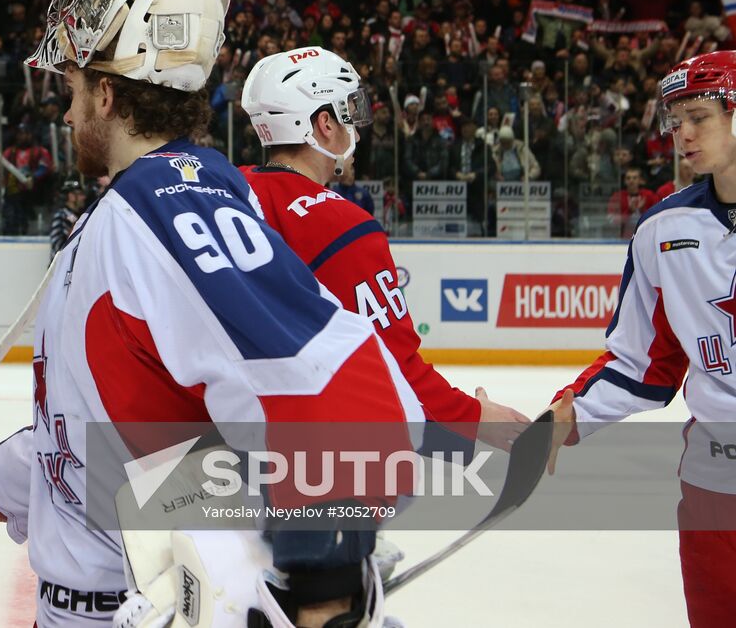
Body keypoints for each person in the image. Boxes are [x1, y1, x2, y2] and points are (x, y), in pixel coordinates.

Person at [0, 0, 417, 628]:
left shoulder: (164, 205)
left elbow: (349, 405)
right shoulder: (125, 211)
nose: (68, 107)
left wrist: (321, 587)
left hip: (143, 607)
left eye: (76, 87)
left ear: (110, 98)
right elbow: (99, 433)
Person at [239, 46, 529, 452]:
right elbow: (394, 364)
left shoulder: (223, 193)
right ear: (323, 123)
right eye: (348, 113)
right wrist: (474, 419)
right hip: (308, 449)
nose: (356, 130)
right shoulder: (344, 225)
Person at [547, 50, 736, 628]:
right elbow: (643, 365)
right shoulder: (664, 229)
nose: (682, 133)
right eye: (674, 120)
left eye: (698, 116)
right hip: (715, 478)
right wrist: (567, 414)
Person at [606, 167, 660, 239]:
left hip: (646, 237)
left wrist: (642, 210)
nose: (631, 180)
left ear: (640, 180)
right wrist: (629, 211)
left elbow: (657, 218)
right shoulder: (617, 197)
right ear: (625, 181)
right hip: (623, 240)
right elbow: (611, 220)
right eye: (628, 178)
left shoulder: (649, 195)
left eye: (634, 178)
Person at [47, 178, 86, 257]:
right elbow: (57, 246)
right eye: (80, 194)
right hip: (61, 268)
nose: (83, 197)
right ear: (71, 196)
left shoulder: (81, 216)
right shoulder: (60, 216)